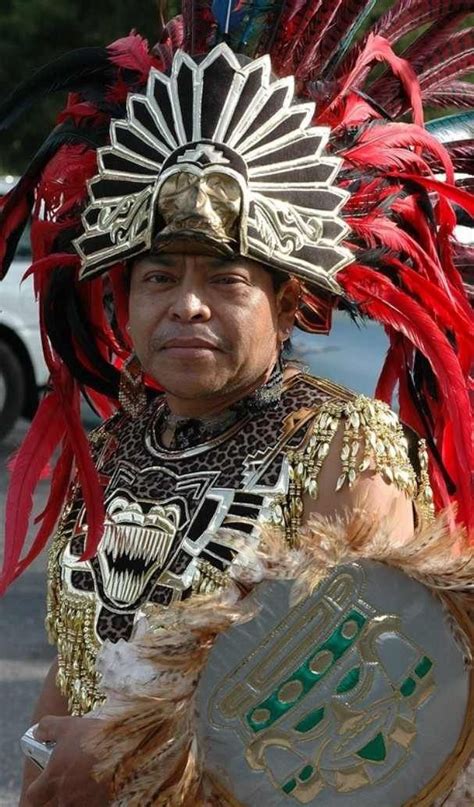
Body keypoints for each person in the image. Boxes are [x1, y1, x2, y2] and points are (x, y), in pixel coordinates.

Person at [0, 2, 471, 805]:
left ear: (289, 304)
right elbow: (78, 657)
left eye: (226, 278)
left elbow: (383, 703)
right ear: (123, 302)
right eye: (160, 277)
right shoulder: (116, 445)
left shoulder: (344, 438)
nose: (187, 305)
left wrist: (123, 752)